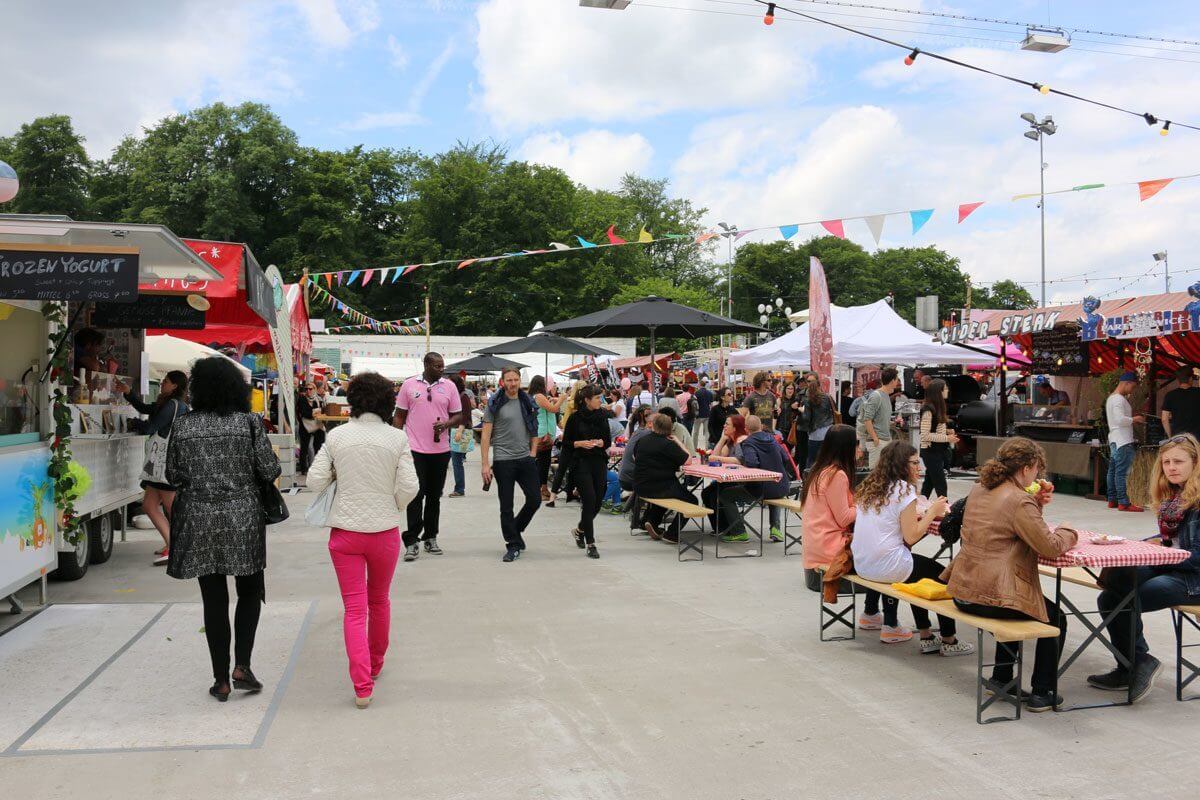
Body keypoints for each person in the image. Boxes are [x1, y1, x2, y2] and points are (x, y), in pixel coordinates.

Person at [165, 357, 281, 702]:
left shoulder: (183, 426)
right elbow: (269, 467)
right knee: (249, 591)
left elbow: (172, 474)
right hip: (242, 516)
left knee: (213, 599)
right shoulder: (249, 423)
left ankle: (220, 680)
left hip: (198, 518)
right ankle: (242, 665)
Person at [307, 372, 418, 708]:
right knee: (379, 600)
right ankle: (376, 663)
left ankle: (362, 686)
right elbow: (410, 487)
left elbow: (314, 481)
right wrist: (393, 504)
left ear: (352, 399)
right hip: (384, 533)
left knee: (354, 610)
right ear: (387, 401)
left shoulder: (337, 437)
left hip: (345, 534)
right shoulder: (397, 439)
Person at [943, 437, 1078, 711]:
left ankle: (1002, 677)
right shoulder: (1018, 500)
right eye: (1037, 469)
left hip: (964, 590)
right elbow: (1050, 547)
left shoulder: (980, 488)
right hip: (993, 596)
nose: (1038, 475)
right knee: (1054, 617)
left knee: (1022, 605)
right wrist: (1068, 531)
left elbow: (1012, 525)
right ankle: (1043, 692)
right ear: (1028, 467)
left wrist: (1034, 502)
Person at [1088, 433, 1200, 701]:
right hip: (1175, 567)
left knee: (1129, 596)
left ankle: (1137, 664)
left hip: (1194, 578)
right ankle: (1133, 664)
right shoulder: (1175, 496)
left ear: (1195, 463)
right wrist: (1148, 546)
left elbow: (1196, 557)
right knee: (1111, 590)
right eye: (1166, 462)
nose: (1171, 467)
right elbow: (1171, 542)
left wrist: (1158, 554)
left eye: (1178, 462)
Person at [850, 442, 972, 655]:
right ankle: (949, 640)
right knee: (942, 576)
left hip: (862, 563)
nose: (920, 468)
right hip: (887, 566)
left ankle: (926, 635)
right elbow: (912, 535)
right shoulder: (904, 490)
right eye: (915, 463)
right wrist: (933, 511)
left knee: (920, 571)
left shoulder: (871, 486)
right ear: (901, 465)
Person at [394, 352, 463, 561]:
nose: (441, 369)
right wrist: (397, 442)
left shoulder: (449, 386)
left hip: (441, 451)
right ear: (426, 365)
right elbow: (399, 415)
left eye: (442, 366)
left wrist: (447, 424)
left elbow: (459, 415)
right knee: (416, 494)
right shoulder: (409, 385)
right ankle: (412, 540)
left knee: (434, 496)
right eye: (437, 366)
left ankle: (431, 536)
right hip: (414, 449)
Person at [125, 370, 190, 566]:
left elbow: (150, 427)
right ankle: (172, 543)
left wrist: (132, 423)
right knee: (149, 506)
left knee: (170, 506)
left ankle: (176, 547)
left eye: (166, 381)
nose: (162, 383)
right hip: (162, 465)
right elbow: (146, 408)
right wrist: (128, 393)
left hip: (165, 464)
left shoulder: (172, 405)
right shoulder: (175, 404)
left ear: (175, 386)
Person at [481, 368, 542, 563]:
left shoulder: (528, 401)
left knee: (535, 499)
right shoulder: (495, 403)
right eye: (509, 380)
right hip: (503, 460)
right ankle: (513, 544)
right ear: (502, 382)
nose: (513, 383)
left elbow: (534, 429)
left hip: (525, 458)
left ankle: (515, 529)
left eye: (516, 380)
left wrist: (533, 453)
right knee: (506, 506)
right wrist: (485, 464)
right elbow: (485, 435)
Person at [561, 384, 611, 559]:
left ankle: (580, 529)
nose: (600, 401)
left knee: (597, 502)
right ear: (587, 400)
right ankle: (591, 543)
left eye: (601, 397)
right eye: (597, 398)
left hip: (598, 461)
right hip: (581, 462)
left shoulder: (603, 416)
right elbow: (566, 443)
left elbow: (608, 440)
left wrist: (600, 442)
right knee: (589, 500)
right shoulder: (575, 418)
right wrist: (580, 443)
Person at [636, 412, 696, 543]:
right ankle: (672, 534)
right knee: (692, 500)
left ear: (654, 426)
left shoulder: (643, 440)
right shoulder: (668, 444)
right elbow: (688, 460)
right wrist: (678, 442)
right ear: (670, 428)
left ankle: (652, 521)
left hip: (641, 485)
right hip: (661, 486)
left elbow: (635, 457)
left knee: (669, 496)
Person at [739, 414, 790, 543]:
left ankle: (737, 531)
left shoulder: (748, 443)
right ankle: (775, 529)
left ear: (746, 429)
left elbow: (752, 464)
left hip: (761, 489)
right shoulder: (773, 439)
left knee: (725, 495)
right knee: (774, 488)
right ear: (761, 426)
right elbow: (786, 458)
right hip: (782, 486)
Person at [703, 413, 752, 541]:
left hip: (743, 482)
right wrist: (722, 439)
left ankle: (733, 529)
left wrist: (718, 458)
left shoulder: (742, 440)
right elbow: (716, 455)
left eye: (727, 424)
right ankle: (721, 528)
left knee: (717, 494)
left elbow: (739, 460)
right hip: (729, 479)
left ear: (735, 427)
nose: (724, 426)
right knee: (707, 493)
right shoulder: (731, 441)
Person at [1106, 371, 1145, 512]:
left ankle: (1112, 499)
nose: (1132, 390)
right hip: (1123, 440)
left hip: (1114, 438)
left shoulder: (1111, 398)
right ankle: (1123, 502)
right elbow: (1119, 419)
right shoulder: (1119, 400)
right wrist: (1135, 419)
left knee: (1113, 470)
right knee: (1122, 472)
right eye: (1132, 386)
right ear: (1127, 383)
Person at [918, 378, 959, 499]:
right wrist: (947, 438)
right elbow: (925, 434)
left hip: (936, 450)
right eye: (945, 388)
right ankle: (945, 509)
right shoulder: (928, 409)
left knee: (929, 482)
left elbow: (934, 429)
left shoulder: (937, 407)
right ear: (939, 392)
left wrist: (947, 431)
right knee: (940, 482)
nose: (947, 390)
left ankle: (921, 503)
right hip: (930, 450)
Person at [857, 368, 899, 468]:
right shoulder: (877, 396)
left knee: (884, 474)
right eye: (897, 379)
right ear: (892, 380)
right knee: (875, 474)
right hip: (878, 441)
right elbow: (867, 419)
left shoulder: (886, 396)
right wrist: (875, 438)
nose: (897, 382)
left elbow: (878, 419)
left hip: (885, 439)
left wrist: (891, 422)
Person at [529, 376, 563, 503]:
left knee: (544, 463)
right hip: (543, 434)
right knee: (542, 464)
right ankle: (539, 490)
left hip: (543, 432)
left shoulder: (535, 397)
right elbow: (553, 409)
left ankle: (543, 489)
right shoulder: (539, 396)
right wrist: (561, 399)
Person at [801, 374, 836, 469]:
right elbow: (834, 411)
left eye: (810, 381)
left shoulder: (807, 400)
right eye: (808, 381)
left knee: (812, 460)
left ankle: (809, 480)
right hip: (828, 431)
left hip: (815, 432)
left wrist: (801, 411)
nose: (809, 383)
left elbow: (806, 418)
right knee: (827, 459)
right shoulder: (827, 397)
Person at [448, 376, 473, 498]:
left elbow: (466, 415)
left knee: (456, 462)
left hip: (458, 431)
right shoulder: (454, 396)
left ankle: (459, 489)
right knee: (451, 462)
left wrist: (459, 430)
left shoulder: (463, 396)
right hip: (451, 431)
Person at [1163, 367, 1200, 441]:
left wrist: (1171, 437)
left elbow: (1164, 419)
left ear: (1178, 380)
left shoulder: (1170, 395)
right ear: (1190, 379)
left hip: (1177, 438)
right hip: (1197, 438)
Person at [693, 378, 714, 450]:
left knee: (695, 432)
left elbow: (694, 404)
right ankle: (707, 448)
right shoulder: (710, 393)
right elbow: (711, 405)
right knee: (707, 433)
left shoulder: (696, 393)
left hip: (698, 415)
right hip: (707, 414)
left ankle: (694, 447)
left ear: (699, 385)